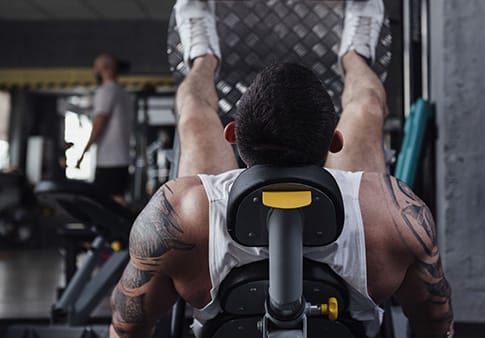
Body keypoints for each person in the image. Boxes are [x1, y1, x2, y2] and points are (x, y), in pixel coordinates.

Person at [110, 1, 454, 337]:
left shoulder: (179, 210)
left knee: (194, 114)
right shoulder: (394, 212)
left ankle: (202, 58)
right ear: (335, 141)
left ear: (232, 135)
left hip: (201, 238)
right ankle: (354, 55)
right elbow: (436, 322)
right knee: (366, 107)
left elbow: (127, 326)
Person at [77, 53, 134, 205]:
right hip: (120, 158)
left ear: (104, 68)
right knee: (117, 201)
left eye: (95, 66)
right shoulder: (123, 93)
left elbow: (99, 123)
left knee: (107, 204)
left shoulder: (106, 91)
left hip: (109, 160)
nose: (93, 70)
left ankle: (116, 229)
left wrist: (83, 152)